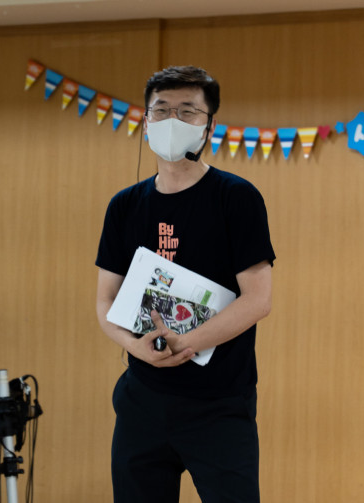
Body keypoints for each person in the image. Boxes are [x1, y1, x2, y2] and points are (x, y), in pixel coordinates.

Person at [95, 65, 275, 503]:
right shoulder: (124, 205)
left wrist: (185, 343)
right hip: (142, 400)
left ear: (209, 125)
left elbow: (258, 300)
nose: (172, 120)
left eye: (188, 111)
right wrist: (134, 346)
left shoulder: (236, 197)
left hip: (220, 404)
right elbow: (105, 300)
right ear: (145, 122)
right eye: (161, 110)